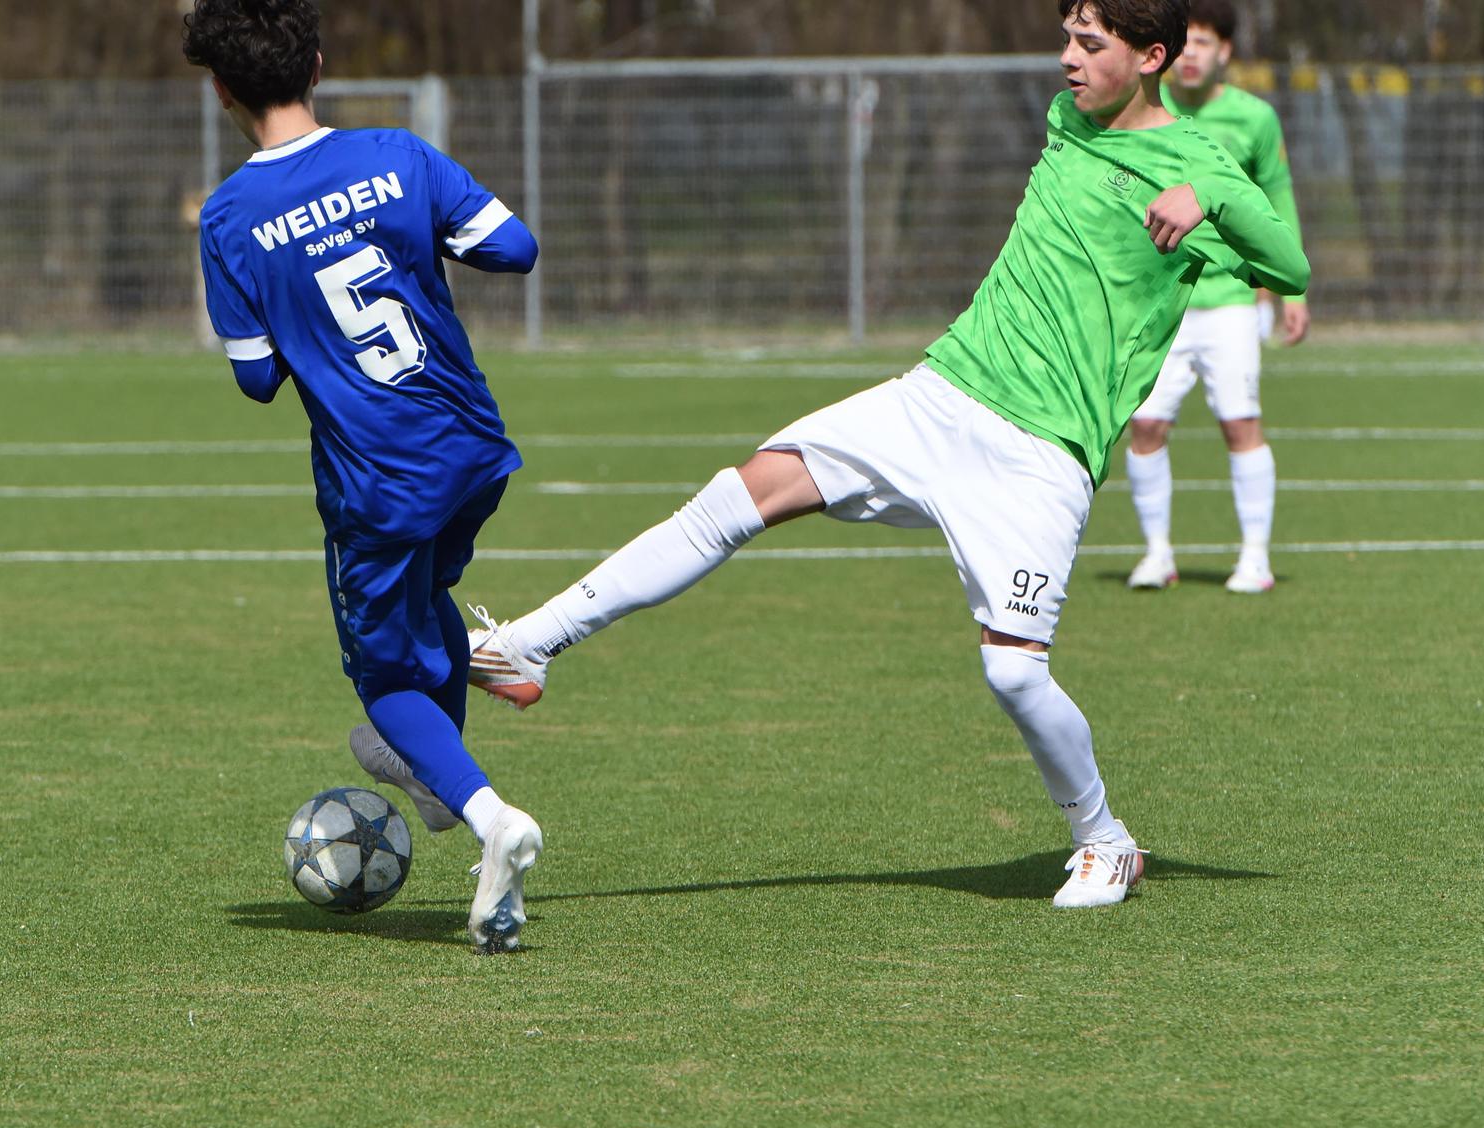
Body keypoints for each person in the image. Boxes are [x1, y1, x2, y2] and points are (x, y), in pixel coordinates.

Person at [467, 0, 1308, 909]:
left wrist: (1210, 196)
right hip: (940, 395)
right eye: (1067, 36)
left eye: (1089, 45)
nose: (1065, 59)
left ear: (1150, 58)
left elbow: (1291, 264)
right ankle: (528, 645)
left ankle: (1104, 839)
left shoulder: (1200, 161)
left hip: (1041, 452)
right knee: (738, 494)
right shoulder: (1071, 117)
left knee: (1013, 671)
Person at [185, 0, 544, 952]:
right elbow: (515, 248)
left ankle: (486, 814)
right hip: (471, 449)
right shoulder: (401, 154)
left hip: (376, 480)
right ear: (315, 61)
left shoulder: (228, 216)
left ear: (219, 89)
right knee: (432, 599)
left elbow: (258, 379)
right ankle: (436, 774)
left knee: (380, 681)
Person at [1124, 0, 1308, 594]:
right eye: (1186, 44)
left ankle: (1254, 557)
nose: (1193, 55)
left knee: (1240, 423)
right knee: (1146, 427)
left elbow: (1277, 199)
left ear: (1224, 50)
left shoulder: (1255, 118)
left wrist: (1290, 295)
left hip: (1231, 300)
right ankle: (1157, 554)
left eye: (1204, 43)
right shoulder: (1148, 113)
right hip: (1162, 301)